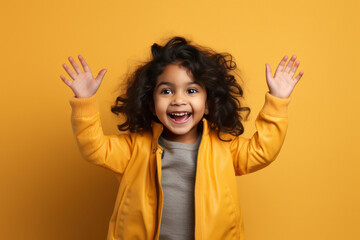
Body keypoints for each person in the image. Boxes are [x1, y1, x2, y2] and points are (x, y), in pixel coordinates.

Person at [60, 36, 303, 240]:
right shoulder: (135, 147)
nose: (178, 99)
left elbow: (263, 151)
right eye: (166, 91)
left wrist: (277, 101)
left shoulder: (224, 147)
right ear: (151, 102)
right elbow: (94, 148)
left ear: (208, 104)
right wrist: (85, 102)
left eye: (191, 90)